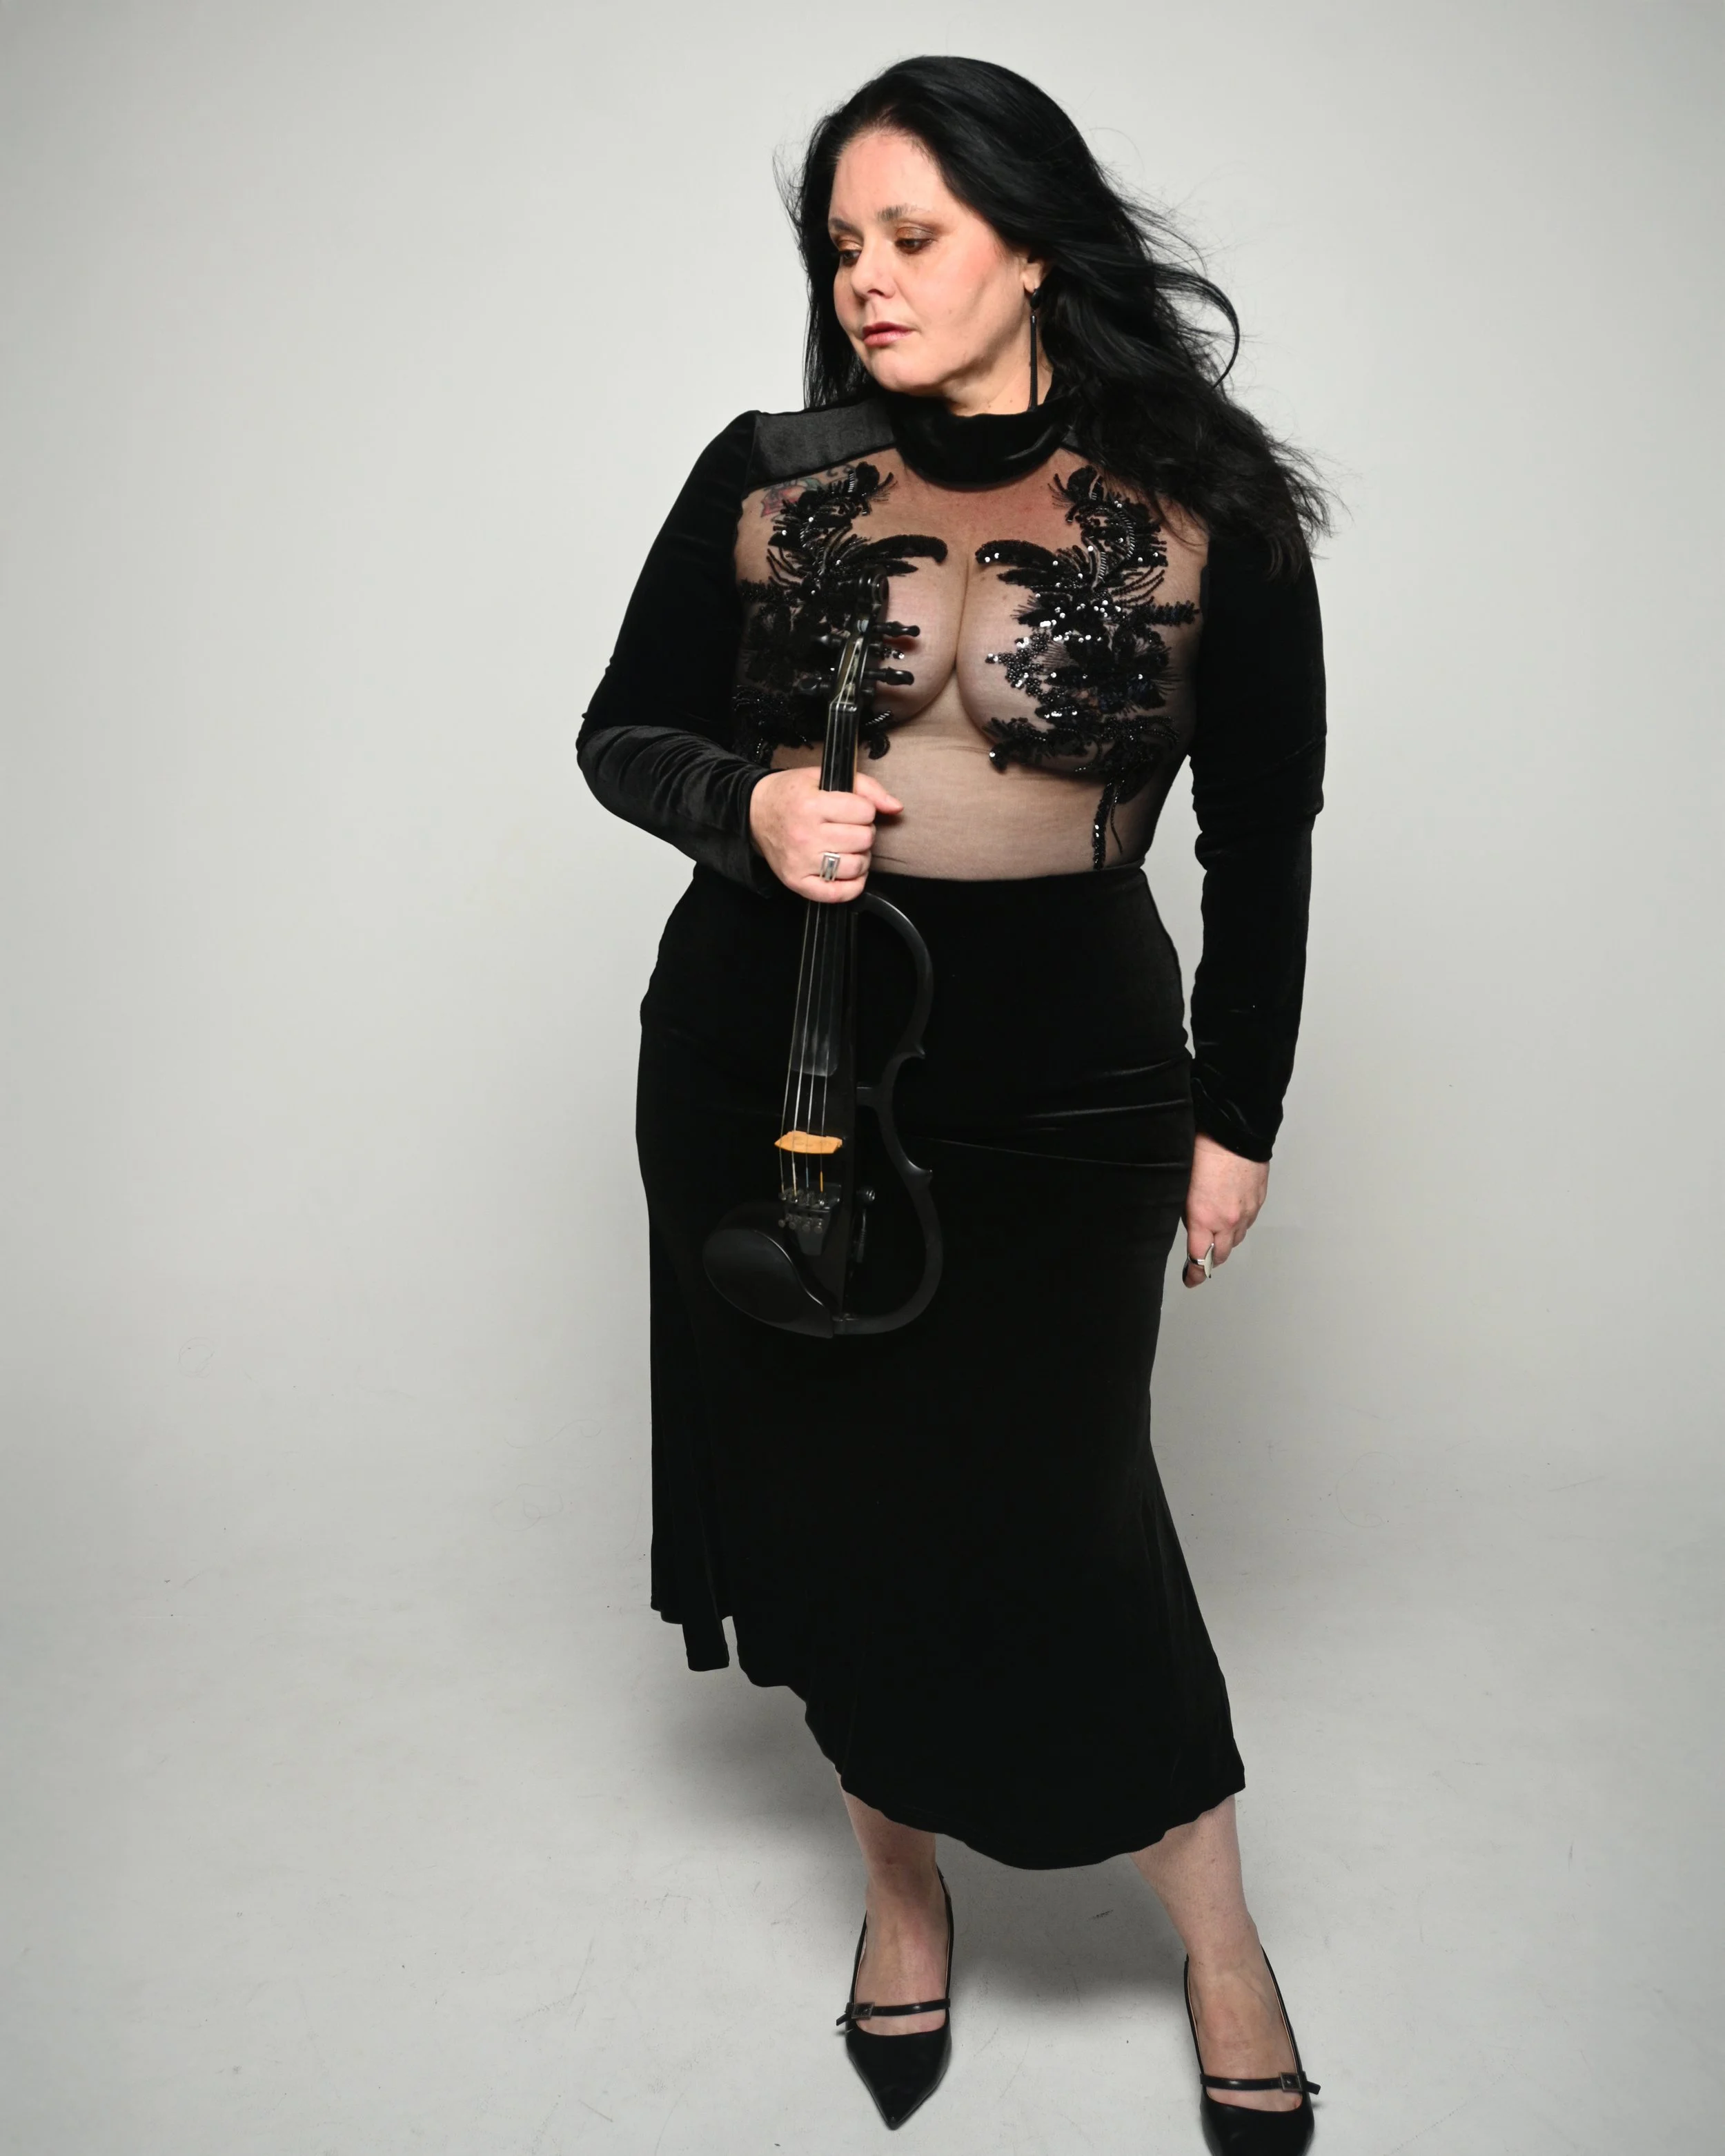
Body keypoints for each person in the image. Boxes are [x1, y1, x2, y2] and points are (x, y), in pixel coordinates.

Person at [578, 55, 1329, 2148]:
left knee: (1064, 1521)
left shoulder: (1209, 498)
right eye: (845, 245)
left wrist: (1239, 1114)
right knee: (834, 1513)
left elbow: (1263, 837)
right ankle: (900, 1895)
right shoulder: (765, 475)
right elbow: (623, 732)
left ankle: (1220, 1939)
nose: (869, 280)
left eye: (912, 235)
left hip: (1066, 1076)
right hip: (770, 1058)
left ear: (1032, 244)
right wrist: (750, 809)